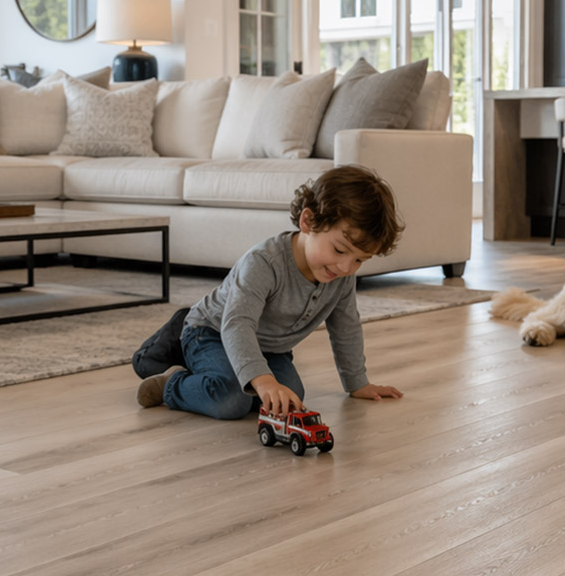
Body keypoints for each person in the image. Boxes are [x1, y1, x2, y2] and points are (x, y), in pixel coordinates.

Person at [134, 165, 405, 418]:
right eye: (340, 250)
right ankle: (173, 382)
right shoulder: (265, 262)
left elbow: (346, 328)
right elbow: (237, 324)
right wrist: (262, 380)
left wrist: (357, 383)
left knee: (291, 396)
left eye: (360, 260)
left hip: (269, 349)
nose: (346, 267)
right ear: (308, 221)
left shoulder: (340, 276)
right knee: (231, 400)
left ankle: (221, 373)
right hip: (214, 332)